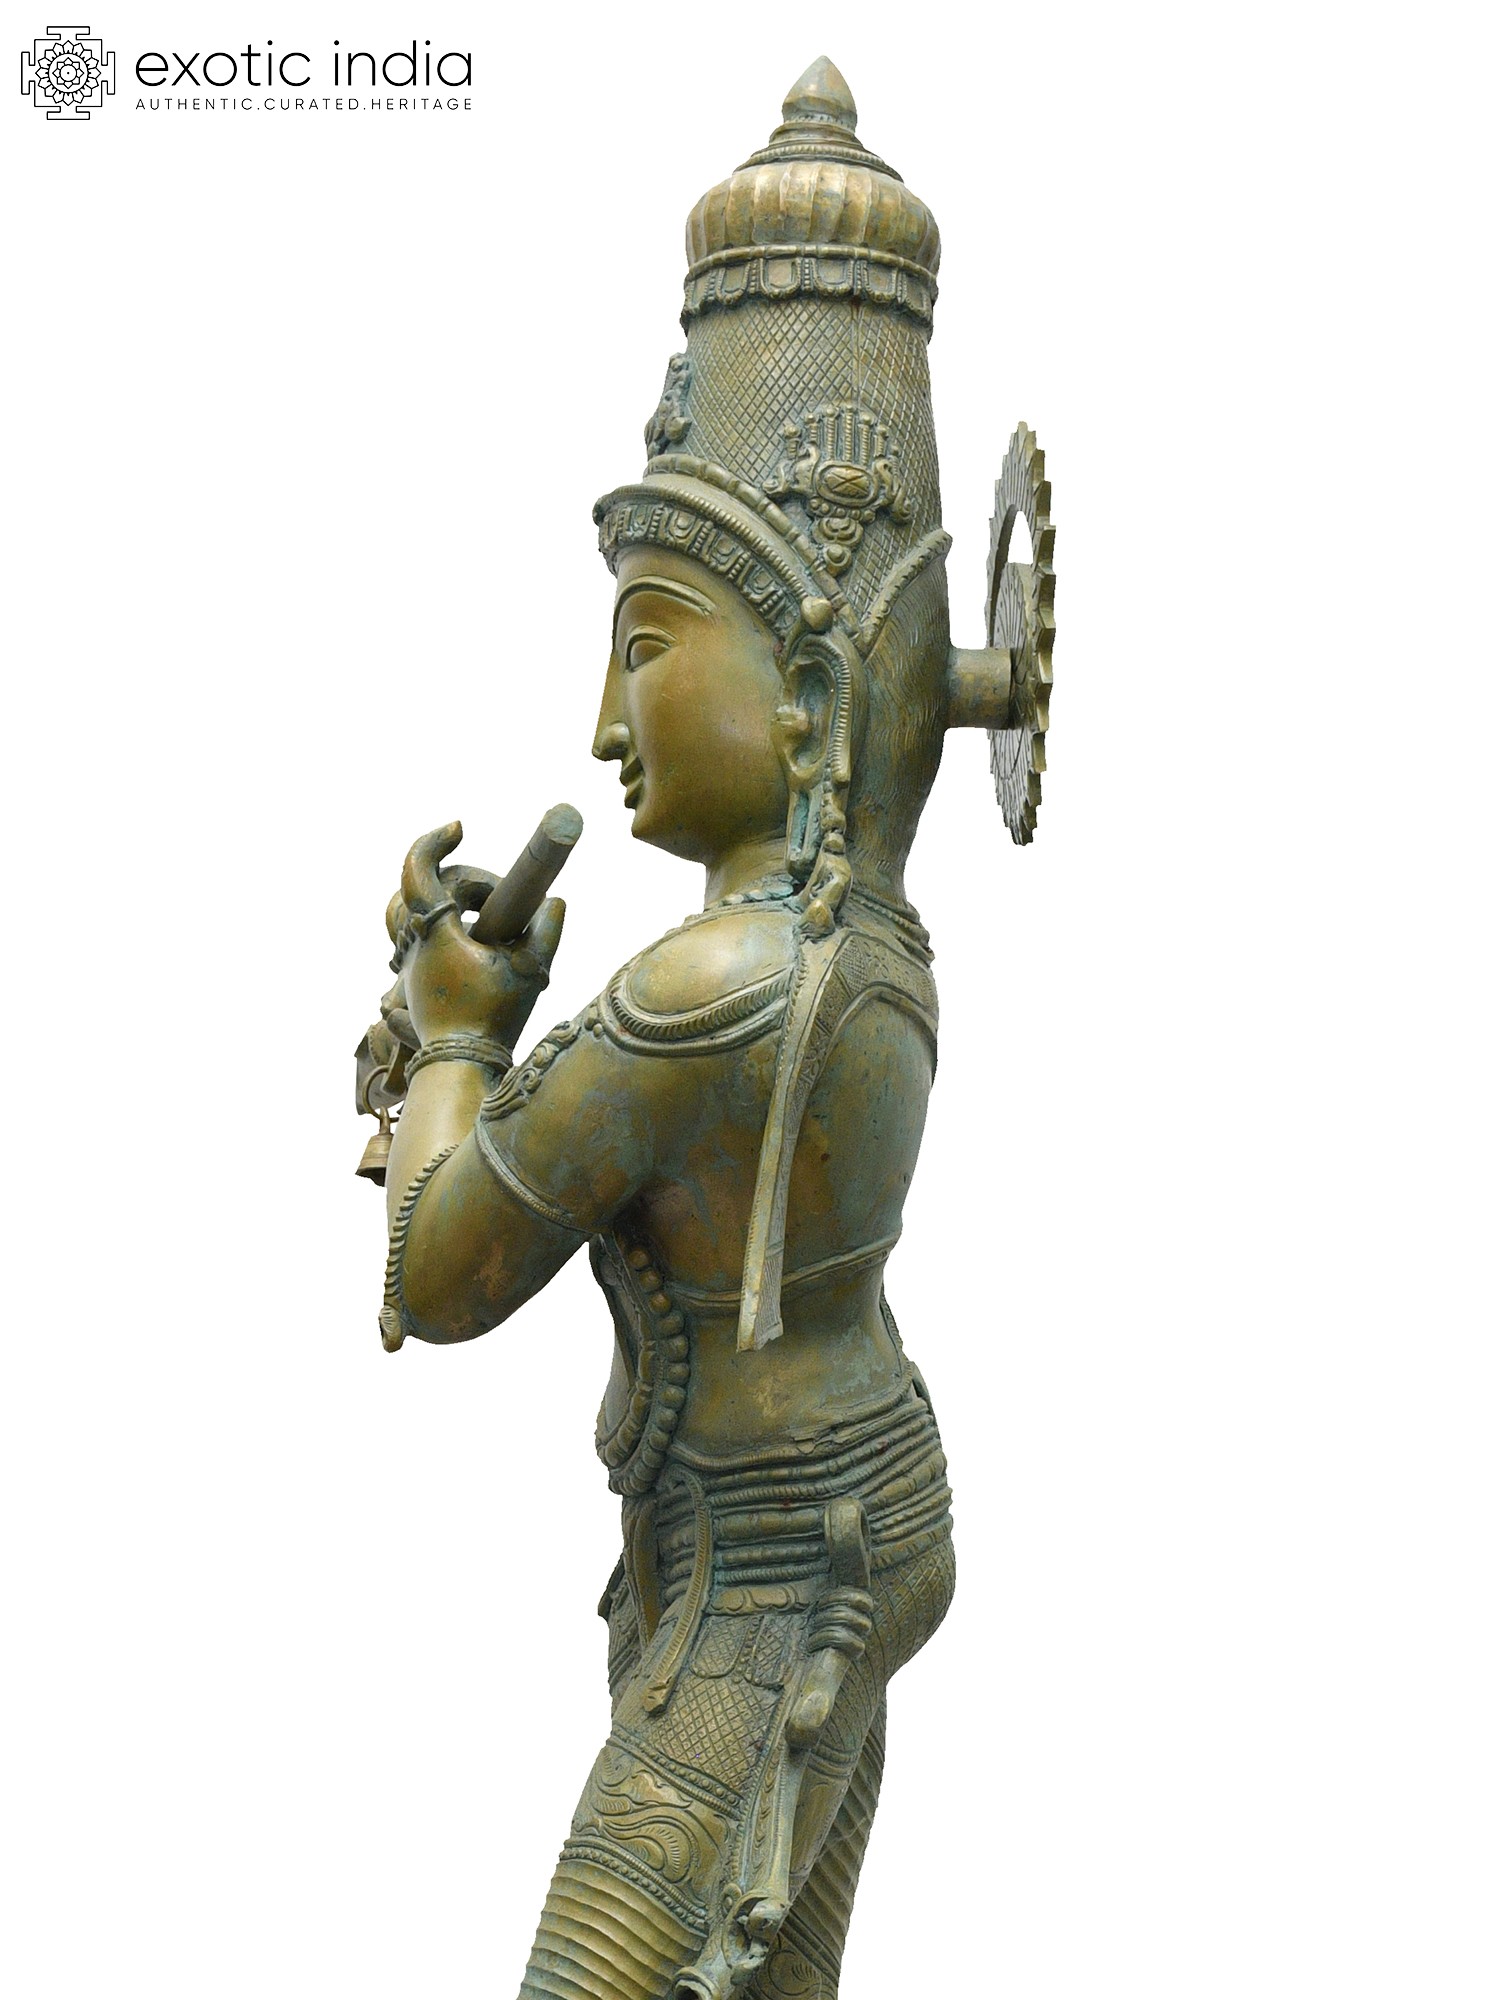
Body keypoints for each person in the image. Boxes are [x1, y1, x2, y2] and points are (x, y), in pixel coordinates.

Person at [364, 58, 1026, 1999]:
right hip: (854, 1513)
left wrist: (455, 1032)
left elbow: (441, 1267)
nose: (604, 719)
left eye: (649, 642)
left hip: (769, 1574)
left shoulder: (703, 989)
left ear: (816, 663)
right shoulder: (862, 941)